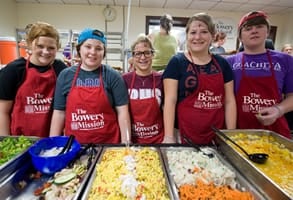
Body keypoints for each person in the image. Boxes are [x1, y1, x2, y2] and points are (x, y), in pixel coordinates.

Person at [162, 13, 237, 144]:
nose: (197, 37)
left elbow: (229, 101)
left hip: (217, 135)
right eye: (193, 32)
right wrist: (169, 136)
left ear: (212, 36)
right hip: (183, 135)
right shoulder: (176, 62)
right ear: (187, 36)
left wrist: (230, 136)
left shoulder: (222, 64)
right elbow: (170, 100)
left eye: (204, 32)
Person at [49, 28, 131, 144]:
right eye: (88, 47)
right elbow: (59, 113)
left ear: (104, 53)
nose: (93, 52)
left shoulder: (113, 76)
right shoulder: (65, 76)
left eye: (99, 48)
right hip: (74, 146)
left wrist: (125, 144)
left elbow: (122, 112)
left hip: (107, 146)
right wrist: (53, 144)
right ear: (79, 49)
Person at [226, 11, 293, 139]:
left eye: (259, 26)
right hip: (238, 130)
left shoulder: (286, 60)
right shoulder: (229, 62)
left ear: (267, 32)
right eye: (248, 28)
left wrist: (278, 110)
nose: (254, 31)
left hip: (274, 130)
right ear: (240, 36)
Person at [0, 21, 67, 137]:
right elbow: (2, 112)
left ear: (57, 48)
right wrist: (5, 142)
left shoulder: (61, 69)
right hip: (20, 141)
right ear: (30, 44)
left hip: (52, 139)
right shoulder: (13, 71)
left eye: (51, 48)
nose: (45, 52)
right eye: (40, 46)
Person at [122, 35, 164, 144]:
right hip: (133, 141)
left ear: (152, 54)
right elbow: (121, 112)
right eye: (138, 53)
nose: (143, 57)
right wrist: (127, 140)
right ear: (133, 56)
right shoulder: (124, 80)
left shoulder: (162, 79)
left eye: (147, 52)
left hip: (158, 140)